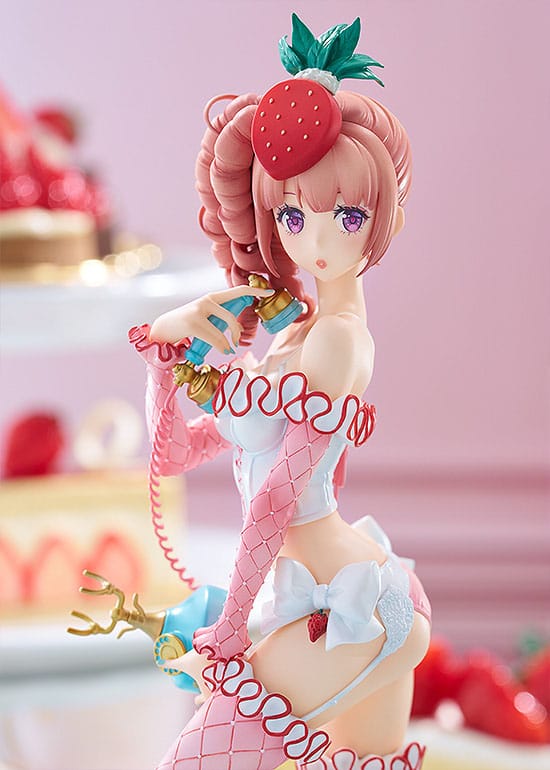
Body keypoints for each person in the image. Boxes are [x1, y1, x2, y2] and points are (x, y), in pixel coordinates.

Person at [131, 15, 431, 770]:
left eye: (347, 216)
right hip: (318, 598)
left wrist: (230, 629)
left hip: (353, 608)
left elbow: (275, 500)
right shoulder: (293, 331)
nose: (315, 241)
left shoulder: (337, 342)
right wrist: (166, 349)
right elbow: (173, 455)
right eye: (293, 214)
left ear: (387, 219)